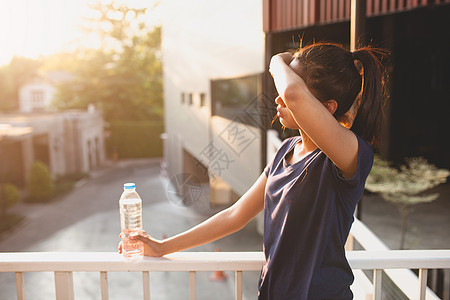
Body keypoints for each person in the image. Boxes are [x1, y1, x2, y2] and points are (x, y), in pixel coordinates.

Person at [119, 42, 389, 299]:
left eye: (289, 87)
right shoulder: (286, 150)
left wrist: (276, 61)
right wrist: (162, 246)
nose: (279, 98)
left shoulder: (351, 154)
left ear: (328, 107)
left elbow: (294, 95)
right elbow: (235, 215)